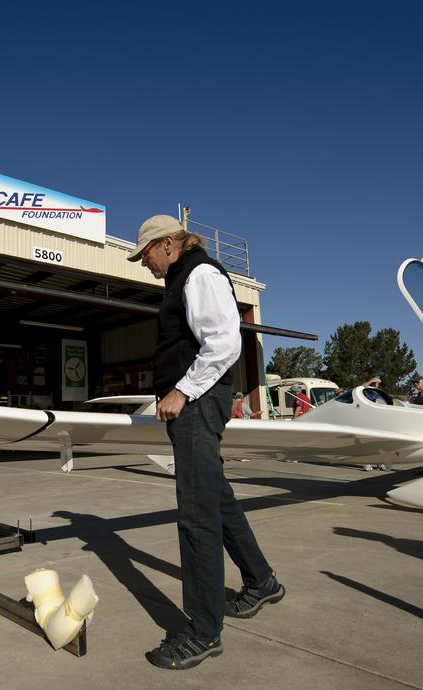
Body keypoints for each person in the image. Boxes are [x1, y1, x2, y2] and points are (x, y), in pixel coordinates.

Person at [128, 214, 281, 670]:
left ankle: (202, 631)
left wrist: (180, 390)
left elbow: (224, 343)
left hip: (196, 404)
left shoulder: (200, 273)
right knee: (217, 498)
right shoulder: (183, 276)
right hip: (193, 402)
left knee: (196, 515)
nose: (145, 264)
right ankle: (262, 581)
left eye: (147, 254)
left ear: (170, 243)